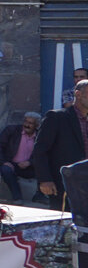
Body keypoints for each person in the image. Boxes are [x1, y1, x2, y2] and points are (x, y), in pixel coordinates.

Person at [31, 79, 88, 211]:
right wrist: (45, 180)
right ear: (78, 94)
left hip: (85, 182)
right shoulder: (57, 117)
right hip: (63, 184)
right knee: (63, 219)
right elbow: (40, 150)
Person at [0, 112, 42, 202]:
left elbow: (42, 154)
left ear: (37, 125)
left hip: (28, 166)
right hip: (10, 164)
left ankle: (40, 196)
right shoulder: (11, 130)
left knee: (44, 169)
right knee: (6, 170)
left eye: (30, 123)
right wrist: (4, 162)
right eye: (26, 122)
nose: (27, 125)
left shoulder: (39, 136)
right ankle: (17, 197)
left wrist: (30, 162)